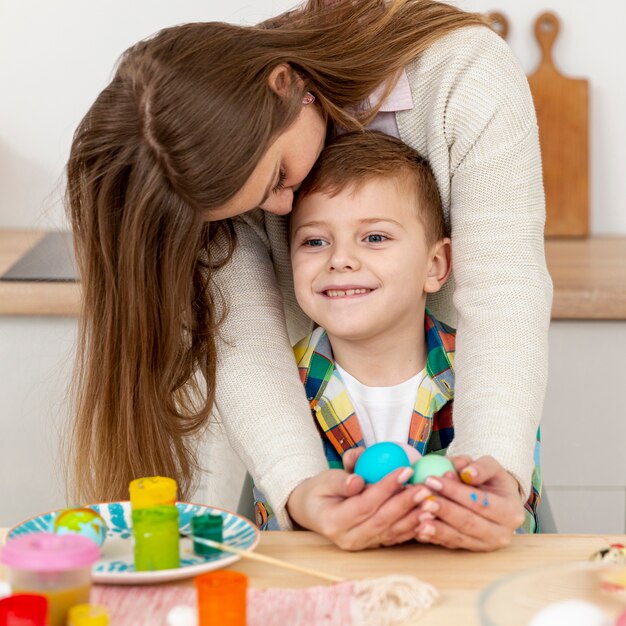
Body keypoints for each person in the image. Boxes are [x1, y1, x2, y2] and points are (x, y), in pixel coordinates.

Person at [65, 0, 552, 552]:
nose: (279, 207)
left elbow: (505, 290)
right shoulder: (205, 151)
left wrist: (497, 467)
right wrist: (297, 487)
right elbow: (245, 338)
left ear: (284, 85)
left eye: (278, 175)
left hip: (472, 412)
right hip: (300, 438)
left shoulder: (464, 71)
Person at [252, 131, 540, 547]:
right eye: (315, 241)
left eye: (375, 237)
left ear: (435, 264)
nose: (341, 259)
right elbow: (273, 530)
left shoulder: (489, 378)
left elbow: (520, 523)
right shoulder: (279, 389)